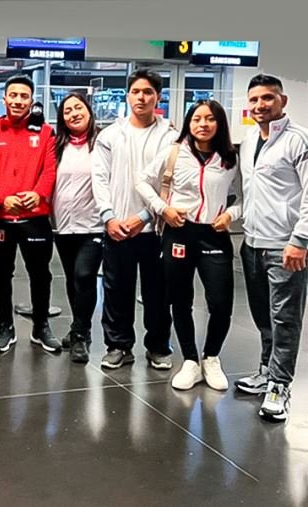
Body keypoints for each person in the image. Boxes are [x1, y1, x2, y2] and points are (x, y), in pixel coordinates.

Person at [137, 99, 240, 390]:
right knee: (180, 300)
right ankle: (191, 361)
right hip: (179, 232)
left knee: (220, 302)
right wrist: (163, 209)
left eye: (210, 119)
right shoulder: (174, 152)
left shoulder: (230, 158)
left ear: (220, 123)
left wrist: (231, 214)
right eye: (196, 119)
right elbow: (142, 181)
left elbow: (244, 196)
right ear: (188, 123)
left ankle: (211, 357)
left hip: (214, 234)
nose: (203, 124)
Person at [234, 74, 308, 422]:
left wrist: (300, 240)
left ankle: (280, 385)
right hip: (251, 243)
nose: (260, 105)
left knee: (285, 319)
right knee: (263, 315)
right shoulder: (249, 140)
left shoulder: (298, 140)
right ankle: (266, 370)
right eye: (254, 99)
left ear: (283, 101)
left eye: (268, 98)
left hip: (285, 248)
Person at [91, 68, 175, 370]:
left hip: (156, 229)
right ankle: (118, 345)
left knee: (158, 293)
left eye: (148, 92)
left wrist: (144, 217)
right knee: (116, 291)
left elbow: (171, 184)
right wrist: (109, 217)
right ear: (127, 96)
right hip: (116, 228)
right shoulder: (110, 135)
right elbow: (99, 178)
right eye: (136, 92)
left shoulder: (171, 136)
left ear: (158, 97)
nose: (141, 97)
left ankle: (158, 346)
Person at [0, 75, 57, 353]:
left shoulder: (45, 132)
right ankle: (6, 327)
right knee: (2, 274)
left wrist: (38, 194)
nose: (18, 101)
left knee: (41, 274)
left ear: (31, 100)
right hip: (1, 218)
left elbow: (49, 169)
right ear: (4, 99)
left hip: (35, 218)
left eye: (23, 96)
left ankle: (41, 326)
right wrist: (1, 199)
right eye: (13, 95)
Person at [51, 93, 103, 364]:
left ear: (89, 111)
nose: (74, 114)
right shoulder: (57, 145)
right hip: (63, 226)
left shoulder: (102, 143)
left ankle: (81, 335)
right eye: (67, 110)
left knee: (84, 275)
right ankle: (78, 327)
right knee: (72, 280)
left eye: (78, 108)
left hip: (93, 224)